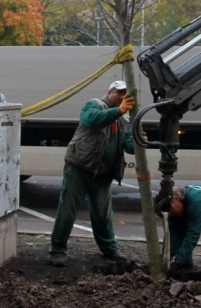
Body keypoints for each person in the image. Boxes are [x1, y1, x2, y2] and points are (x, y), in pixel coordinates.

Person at [48, 80, 136, 266]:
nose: (121, 97)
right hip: (80, 167)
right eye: (118, 92)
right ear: (110, 92)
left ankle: (109, 249)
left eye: (124, 94)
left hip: (103, 174)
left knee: (103, 215)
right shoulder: (94, 105)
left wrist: (138, 142)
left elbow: (128, 145)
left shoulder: (124, 119)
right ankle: (57, 251)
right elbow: (92, 121)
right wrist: (119, 110)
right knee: (67, 211)